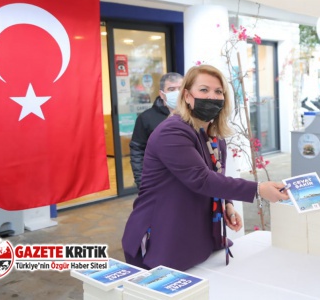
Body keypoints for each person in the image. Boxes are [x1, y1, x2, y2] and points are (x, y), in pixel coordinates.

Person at [122, 64, 289, 271]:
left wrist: (227, 204)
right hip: (162, 237)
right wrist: (258, 189)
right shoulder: (172, 132)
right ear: (187, 96)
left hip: (196, 238)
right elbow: (201, 179)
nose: (212, 96)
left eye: (218, 91)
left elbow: (216, 175)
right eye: (204, 90)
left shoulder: (212, 134)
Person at [129, 72, 183, 188]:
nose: (177, 93)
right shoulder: (146, 118)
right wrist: (142, 183)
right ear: (162, 94)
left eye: (180, 88)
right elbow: (137, 151)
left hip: (188, 183)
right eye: (171, 89)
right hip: (158, 184)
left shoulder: (193, 116)